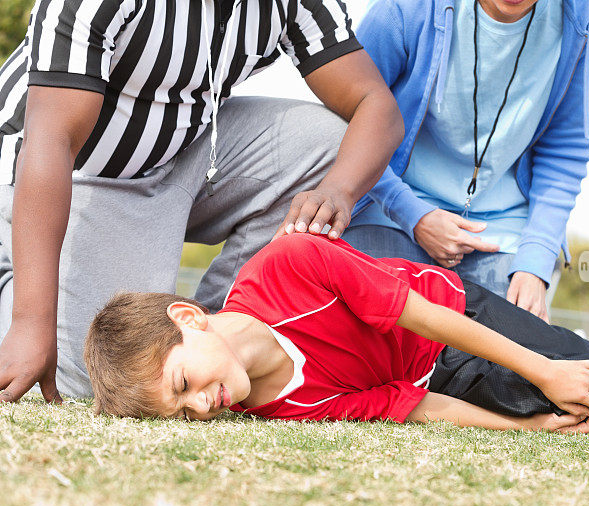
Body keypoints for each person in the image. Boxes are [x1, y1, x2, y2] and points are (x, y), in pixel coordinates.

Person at [0, 0, 405, 402]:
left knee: (328, 146)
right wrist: (30, 323)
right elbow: (52, 138)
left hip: (185, 152)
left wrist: (338, 190)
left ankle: (217, 332)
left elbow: (375, 102)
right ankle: (11, 274)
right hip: (74, 172)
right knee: (94, 379)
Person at [83, 233, 589, 434]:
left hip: (453, 313)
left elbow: (424, 318)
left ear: (189, 316)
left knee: (566, 358)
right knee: (567, 402)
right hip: (427, 373)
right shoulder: (273, 405)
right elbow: (408, 402)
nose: (203, 404)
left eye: (183, 384)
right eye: (184, 412)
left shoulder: (289, 266)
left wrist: (544, 368)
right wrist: (531, 424)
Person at [339, 0, 589, 322]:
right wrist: (412, 213)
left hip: (502, 228)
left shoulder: (585, 11)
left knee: (517, 354)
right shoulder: (407, 8)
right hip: (391, 207)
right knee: (373, 329)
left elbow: (566, 147)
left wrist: (535, 261)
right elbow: (346, 120)